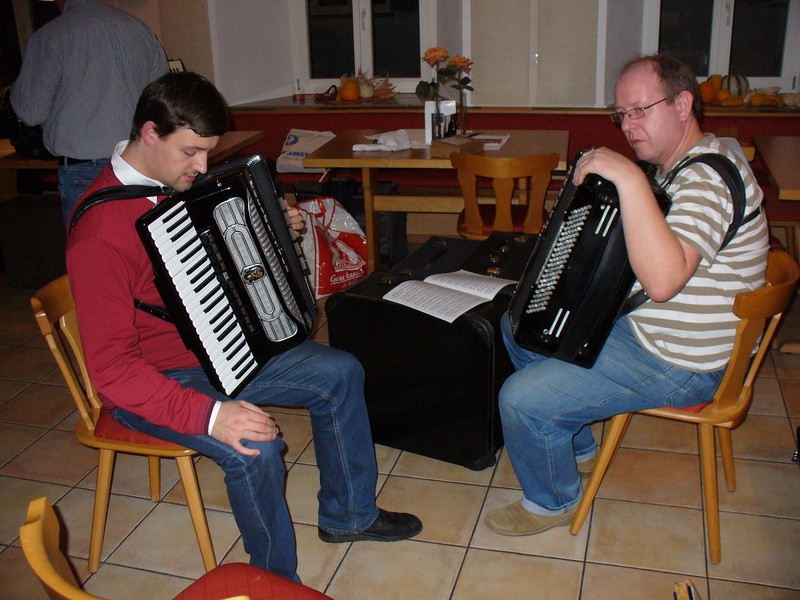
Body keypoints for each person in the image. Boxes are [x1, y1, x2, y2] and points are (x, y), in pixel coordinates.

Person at [66, 71, 422, 581]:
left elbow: (211, 265)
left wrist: (273, 230)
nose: (201, 166)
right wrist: (212, 416)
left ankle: (349, 515)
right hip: (159, 377)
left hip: (223, 349)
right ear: (149, 133)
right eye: (191, 151)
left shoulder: (172, 180)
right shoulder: (100, 235)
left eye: (207, 152)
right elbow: (112, 373)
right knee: (254, 447)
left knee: (340, 371)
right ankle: (273, 582)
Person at [484, 54, 769, 536]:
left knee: (520, 400)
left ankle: (553, 501)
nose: (629, 126)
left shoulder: (705, 179)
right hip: (654, 331)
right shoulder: (687, 160)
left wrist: (630, 177)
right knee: (522, 326)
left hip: (683, 360)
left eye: (641, 110)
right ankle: (573, 443)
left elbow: (662, 282)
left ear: (683, 104)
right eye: (622, 114)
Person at [10, 0, 167, 225]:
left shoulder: (52, 36)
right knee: (141, 241)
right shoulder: (139, 28)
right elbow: (162, 100)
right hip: (141, 161)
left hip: (85, 168)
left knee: (92, 243)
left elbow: (30, 112)